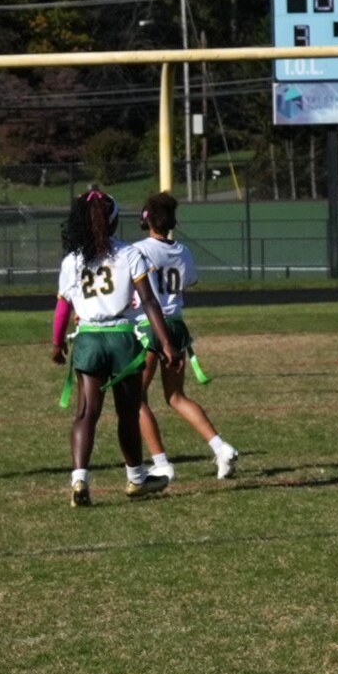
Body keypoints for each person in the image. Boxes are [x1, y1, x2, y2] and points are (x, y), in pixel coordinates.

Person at [45, 186, 155, 506]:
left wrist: (56, 343)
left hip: (88, 337)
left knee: (86, 413)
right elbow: (147, 300)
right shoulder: (130, 253)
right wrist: (162, 339)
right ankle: (136, 478)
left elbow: (63, 307)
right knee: (127, 413)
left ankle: (79, 480)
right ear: (113, 221)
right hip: (121, 336)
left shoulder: (72, 261)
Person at [123, 192, 236, 485]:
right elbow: (188, 282)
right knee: (175, 396)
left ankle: (161, 463)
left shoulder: (138, 251)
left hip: (150, 327)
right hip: (176, 326)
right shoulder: (183, 250)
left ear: (146, 218)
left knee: (136, 399)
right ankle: (220, 447)